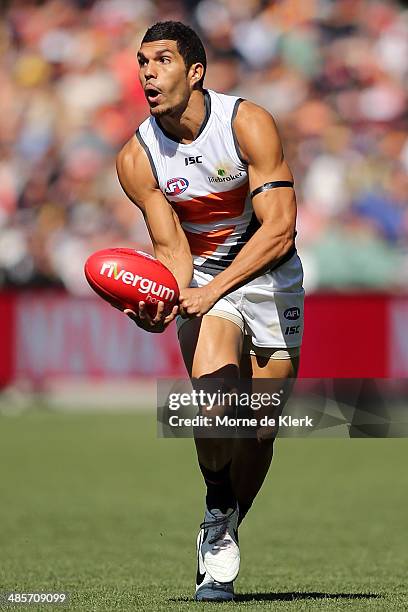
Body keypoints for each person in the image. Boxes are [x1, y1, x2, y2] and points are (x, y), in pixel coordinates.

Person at [116, 21, 304, 602]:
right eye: (143, 61)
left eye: (164, 60)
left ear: (195, 71)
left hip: (271, 278)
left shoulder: (246, 122)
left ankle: (225, 518)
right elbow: (171, 249)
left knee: (261, 429)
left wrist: (214, 284)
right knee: (215, 406)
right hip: (205, 284)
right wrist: (166, 299)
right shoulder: (137, 158)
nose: (149, 72)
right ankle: (217, 513)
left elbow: (280, 229)